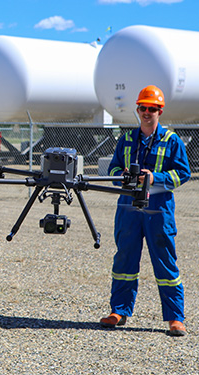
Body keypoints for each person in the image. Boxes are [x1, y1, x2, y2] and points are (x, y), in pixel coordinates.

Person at [100, 85, 190, 336]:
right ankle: (118, 311)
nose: (147, 112)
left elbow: (183, 173)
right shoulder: (126, 139)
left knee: (165, 264)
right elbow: (114, 169)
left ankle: (175, 318)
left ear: (160, 111)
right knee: (124, 259)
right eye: (143, 108)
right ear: (138, 110)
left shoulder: (172, 141)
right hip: (128, 206)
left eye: (152, 109)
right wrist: (125, 177)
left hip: (158, 209)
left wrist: (154, 176)